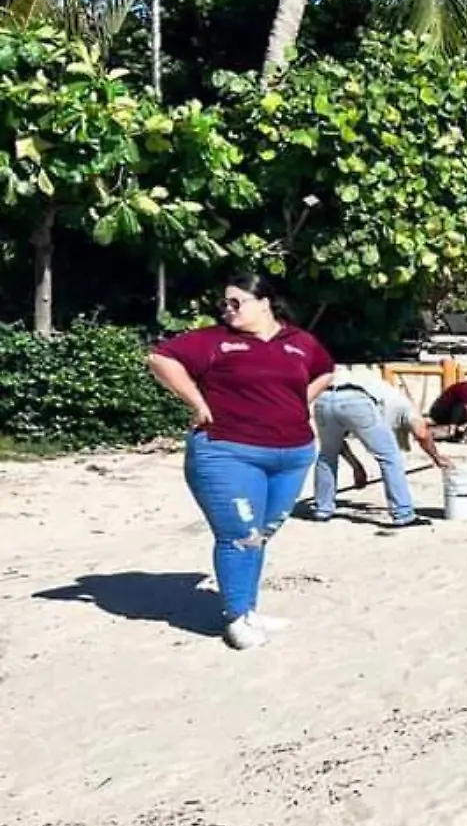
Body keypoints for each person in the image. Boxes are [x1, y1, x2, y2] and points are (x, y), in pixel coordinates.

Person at [146, 272, 333, 651]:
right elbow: (159, 359)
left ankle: (248, 609)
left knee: (261, 534)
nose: (228, 309)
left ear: (264, 303)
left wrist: (301, 400)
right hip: (227, 451)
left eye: (237, 302)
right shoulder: (214, 340)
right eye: (225, 303)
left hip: (292, 454)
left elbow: (325, 371)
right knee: (240, 534)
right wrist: (197, 402)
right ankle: (236, 618)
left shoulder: (299, 341)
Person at [311, 373, 451, 527]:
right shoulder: (405, 406)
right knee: (390, 457)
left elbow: (339, 445)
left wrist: (357, 467)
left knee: (327, 454)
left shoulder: (383, 392)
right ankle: (403, 513)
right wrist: (436, 457)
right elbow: (422, 433)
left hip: (323, 397)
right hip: (356, 399)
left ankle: (322, 509)